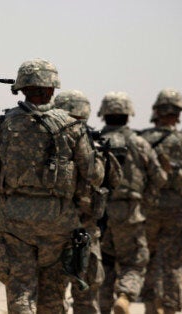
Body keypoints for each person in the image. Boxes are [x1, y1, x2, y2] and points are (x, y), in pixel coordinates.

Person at [0, 59, 103, 313]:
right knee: (52, 297)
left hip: (15, 222)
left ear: (22, 88)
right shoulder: (73, 126)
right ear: (52, 89)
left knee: (21, 290)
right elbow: (94, 175)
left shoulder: (3, 123)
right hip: (60, 224)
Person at [139, 89, 182, 314]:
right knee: (172, 261)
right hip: (177, 211)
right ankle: (169, 306)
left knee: (148, 258)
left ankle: (151, 304)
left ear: (156, 111)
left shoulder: (143, 139)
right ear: (178, 114)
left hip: (148, 208)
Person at [95, 92, 167, 314]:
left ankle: (104, 307)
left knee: (105, 263)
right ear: (128, 116)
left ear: (104, 114)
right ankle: (125, 295)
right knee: (134, 262)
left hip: (99, 213)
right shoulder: (139, 143)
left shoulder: (94, 141)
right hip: (130, 212)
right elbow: (159, 178)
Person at [54, 89, 112, 314]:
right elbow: (105, 178)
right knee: (86, 296)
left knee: (53, 295)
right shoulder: (90, 142)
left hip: (51, 227)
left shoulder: (44, 138)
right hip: (84, 229)